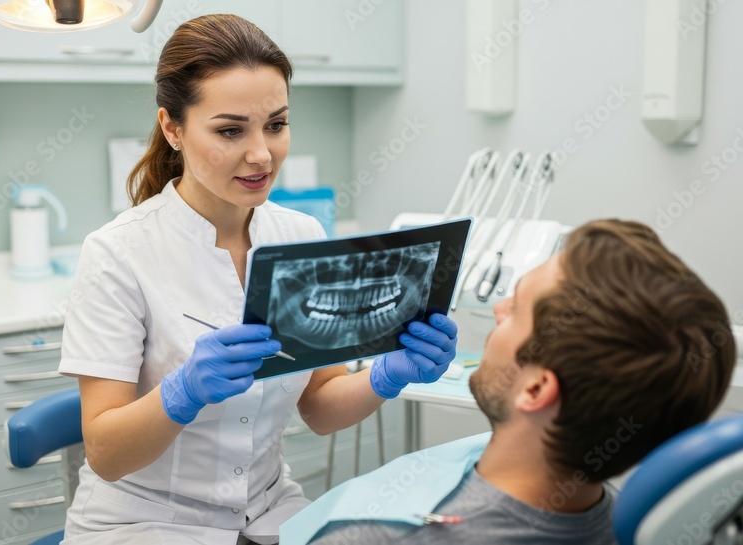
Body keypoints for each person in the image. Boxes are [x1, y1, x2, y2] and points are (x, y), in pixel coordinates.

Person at [57, 14, 459, 545]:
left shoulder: (301, 235)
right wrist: (182, 392)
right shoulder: (117, 253)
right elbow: (106, 455)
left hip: (269, 509)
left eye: (276, 124)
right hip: (143, 521)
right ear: (172, 128)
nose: (262, 154)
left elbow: (319, 405)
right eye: (230, 130)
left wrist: (387, 376)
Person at [284, 219, 737, 545]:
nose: (498, 312)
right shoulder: (612, 515)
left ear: (537, 390)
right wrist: (381, 379)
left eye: (516, 308)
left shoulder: (376, 537)